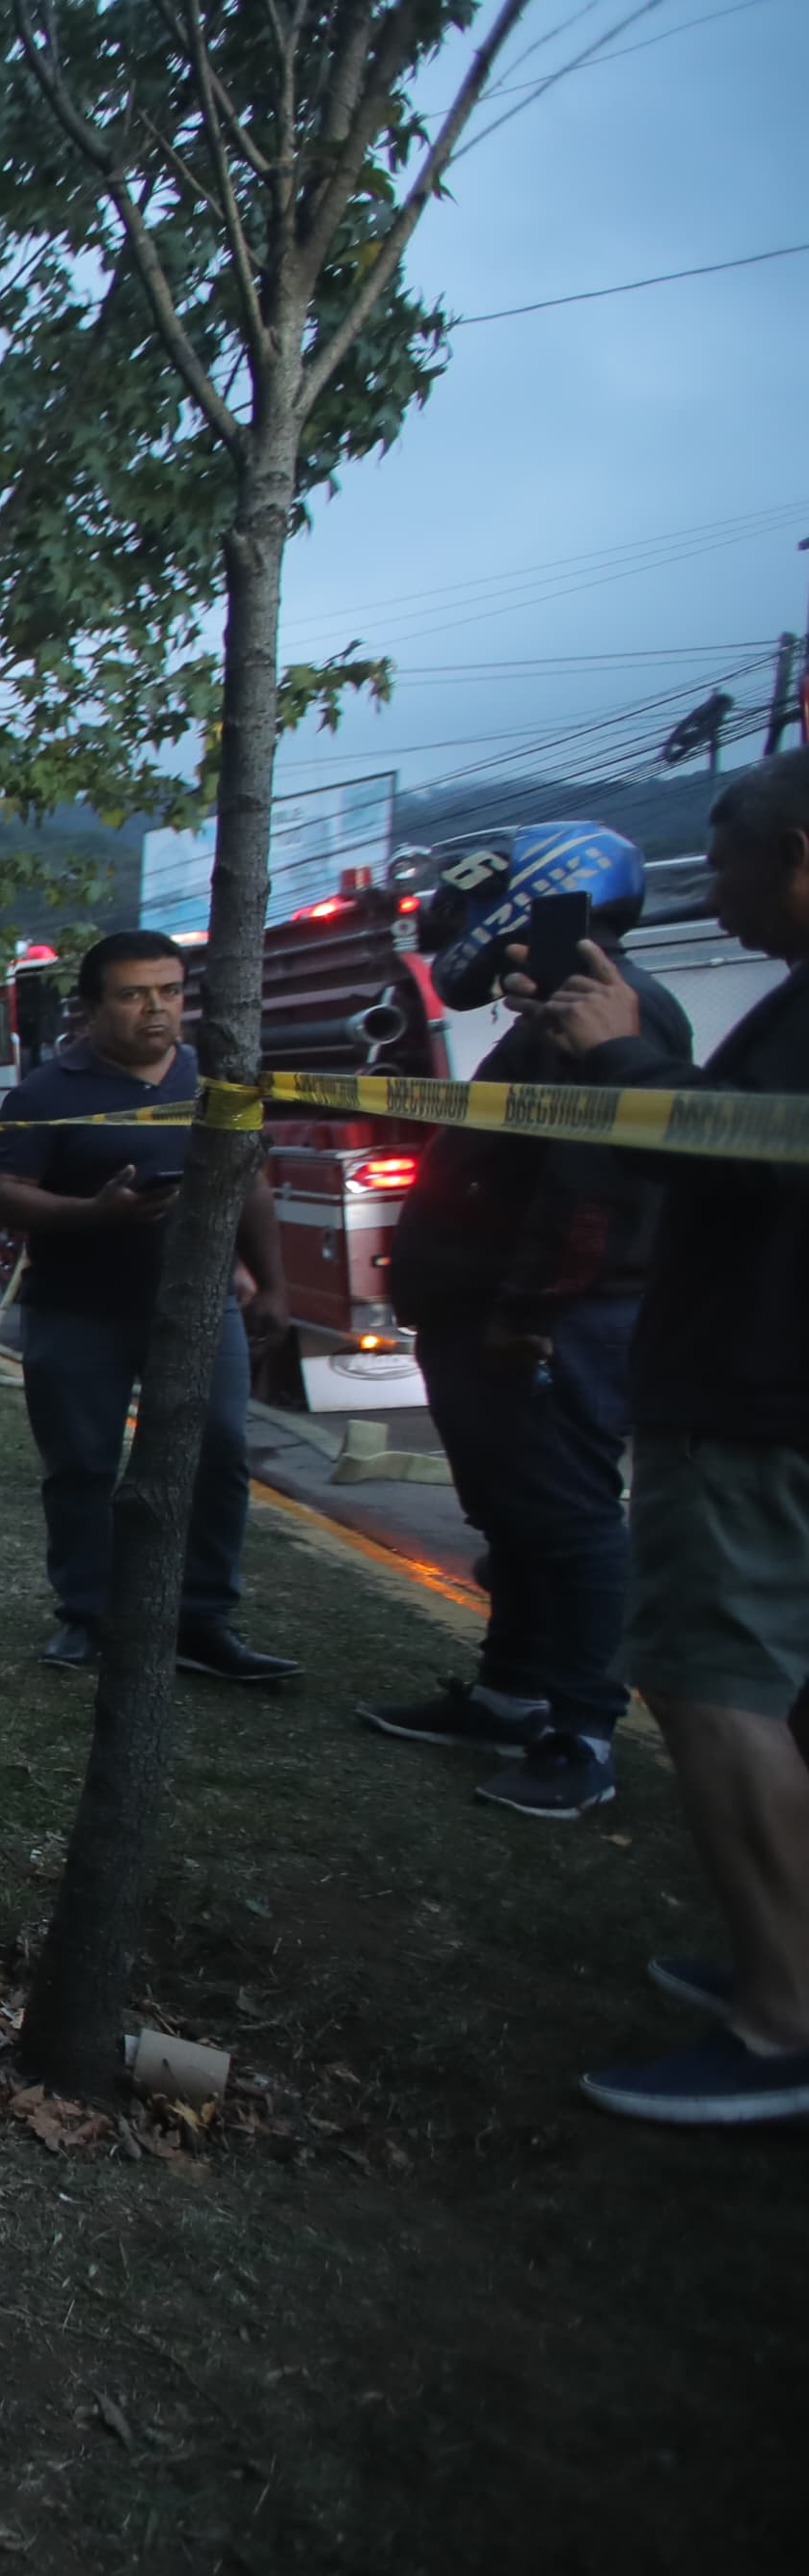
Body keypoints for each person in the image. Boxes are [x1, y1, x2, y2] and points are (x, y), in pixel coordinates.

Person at [528, 752, 809, 2124]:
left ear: (799, 853)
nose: (724, 896)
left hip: (756, 1400)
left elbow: (734, 1155)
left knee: (717, 1685)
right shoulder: (788, 1007)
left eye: (737, 867)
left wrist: (629, 1058)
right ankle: (782, 1954)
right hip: (748, 1387)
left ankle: (780, 2023)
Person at [358, 825, 688, 1817]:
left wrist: (529, 1316)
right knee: (513, 1515)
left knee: (569, 1521)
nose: (451, 930)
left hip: (549, 1325)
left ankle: (579, 1732)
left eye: (467, 908)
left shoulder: (604, 1020)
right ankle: (508, 1693)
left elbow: (585, 1194)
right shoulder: (550, 1017)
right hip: (492, 1315)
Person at [0, 930, 300, 1682]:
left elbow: (252, 1184)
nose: (156, 1009)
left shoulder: (220, 1082)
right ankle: (86, 1615)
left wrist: (272, 1282)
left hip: (198, 1310)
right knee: (82, 1466)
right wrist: (98, 1212)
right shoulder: (46, 1094)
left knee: (218, 1452)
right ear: (91, 1008)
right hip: (76, 1310)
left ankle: (203, 1617)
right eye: (132, 994)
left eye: (170, 991)